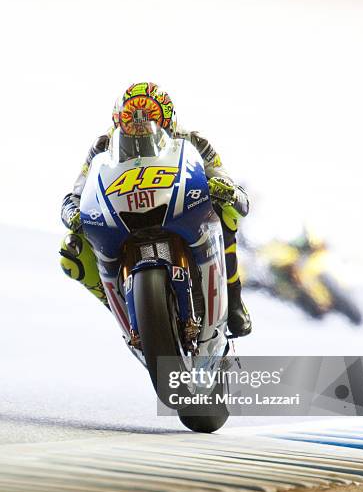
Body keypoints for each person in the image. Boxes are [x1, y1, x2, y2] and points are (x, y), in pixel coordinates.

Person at [60, 82, 251, 337]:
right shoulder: (102, 146)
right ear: (118, 121)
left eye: (150, 117)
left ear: (167, 119)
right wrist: (72, 212)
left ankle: (233, 299)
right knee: (71, 249)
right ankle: (116, 303)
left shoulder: (194, 140)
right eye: (131, 118)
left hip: (177, 209)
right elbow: (76, 194)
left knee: (225, 212)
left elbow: (235, 193)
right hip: (123, 218)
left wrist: (226, 191)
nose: (140, 125)